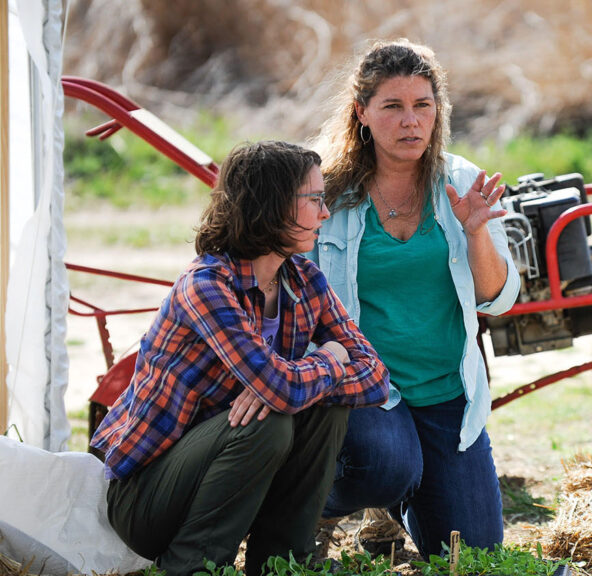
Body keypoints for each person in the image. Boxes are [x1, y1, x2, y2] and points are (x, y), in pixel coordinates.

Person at [90, 141, 390, 576]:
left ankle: (282, 565)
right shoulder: (208, 286)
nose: (326, 213)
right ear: (270, 206)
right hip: (146, 498)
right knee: (268, 420)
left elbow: (377, 378)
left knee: (322, 410)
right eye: (314, 200)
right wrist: (330, 356)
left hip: (228, 473)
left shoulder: (305, 279)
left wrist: (301, 380)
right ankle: (194, 567)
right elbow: (284, 390)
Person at [309, 39, 520, 558]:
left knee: (471, 554)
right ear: (361, 113)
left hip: (447, 393)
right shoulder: (325, 194)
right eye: (393, 107)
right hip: (365, 389)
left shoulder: (464, 183)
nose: (411, 122)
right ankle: (313, 506)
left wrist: (475, 234)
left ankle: (394, 510)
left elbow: (500, 299)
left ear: (438, 112)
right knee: (384, 466)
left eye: (423, 106)